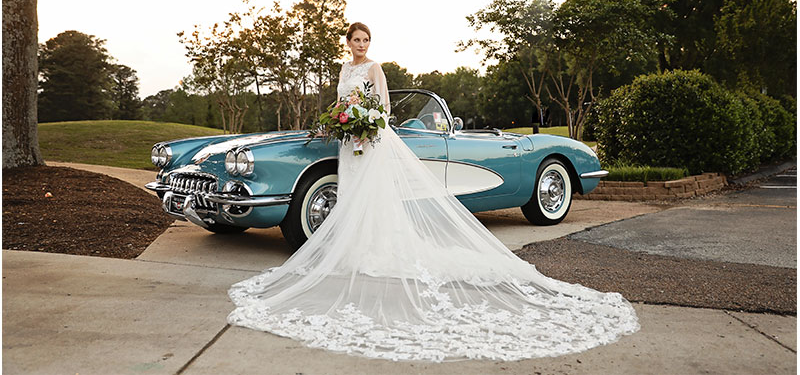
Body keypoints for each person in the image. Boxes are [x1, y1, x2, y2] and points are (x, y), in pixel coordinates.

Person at [228, 23, 639, 362]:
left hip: (369, 137)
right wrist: (342, 122)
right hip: (347, 143)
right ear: (347, 42)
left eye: (365, 40)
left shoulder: (374, 68)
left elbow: (384, 109)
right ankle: (352, 246)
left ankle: (375, 246)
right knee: (354, 194)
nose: (360, 45)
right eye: (356, 40)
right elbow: (342, 102)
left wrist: (363, 121)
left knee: (374, 194)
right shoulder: (343, 70)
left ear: (369, 44)